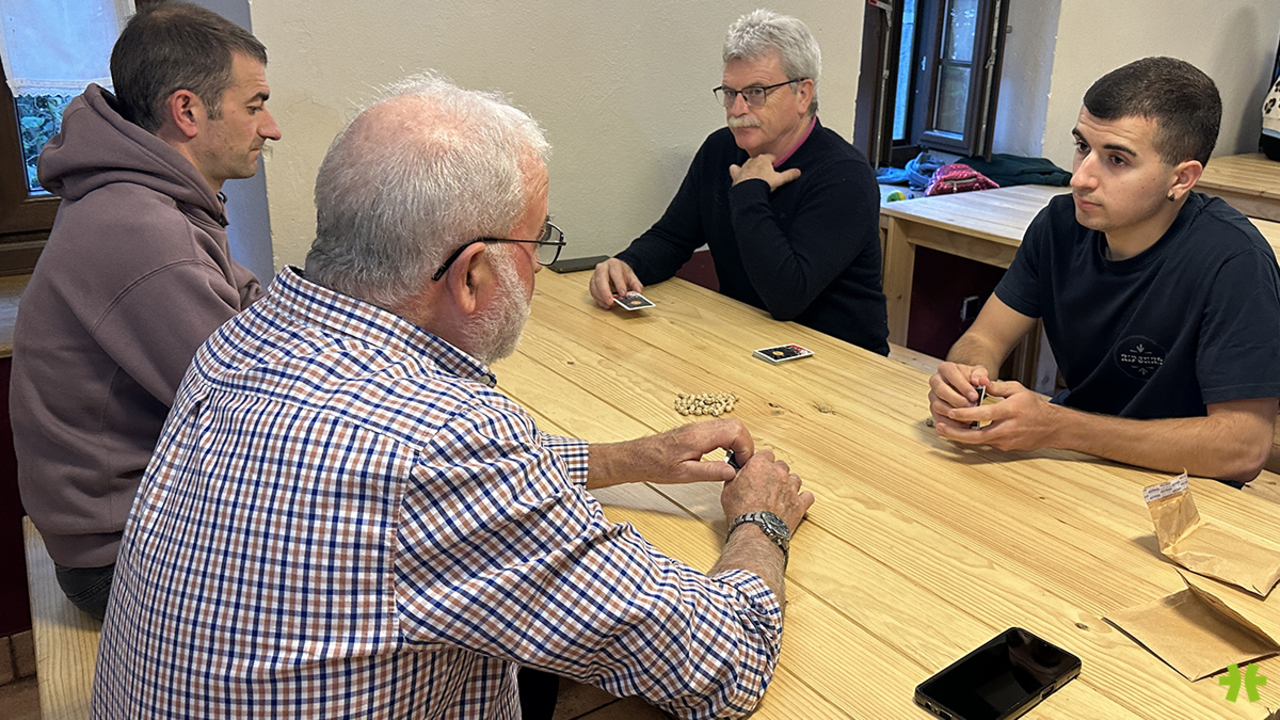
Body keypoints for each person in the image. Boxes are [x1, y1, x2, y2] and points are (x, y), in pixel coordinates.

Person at [92, 73, 815, 720]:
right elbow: (720, 661)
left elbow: (425, 489)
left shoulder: (244, 338)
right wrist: (760, 522)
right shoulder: (445, 444)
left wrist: (626, 459)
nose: (539, 269)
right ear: (471, 276)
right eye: (537, 243)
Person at [9, 2, 281, 619]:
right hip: (120, 558)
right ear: (187, 111)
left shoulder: (152, 200)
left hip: (138, 525)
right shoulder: (142, 229)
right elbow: (253, 415)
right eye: (255, 105)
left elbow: (248, 309)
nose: (271, 128)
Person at [928, 57, 1280, 484]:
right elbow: (984, 338)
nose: (1080, 178)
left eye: (1116, 160)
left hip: (1186, 487)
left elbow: (1243, 447)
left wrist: (1059, 426)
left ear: (1182, 179)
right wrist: (967, 380)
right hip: (1076, 463)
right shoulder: (1059, 225)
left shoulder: (1236, 262)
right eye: (1082, 147)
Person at [589, 9, 889, 355]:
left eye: (756, 92)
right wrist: (627, 264)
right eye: (730, 93)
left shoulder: (845, 176)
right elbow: (673, 237)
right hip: (747, 338)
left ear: (803, 95)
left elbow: (787, 297)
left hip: (840, 359)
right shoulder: (720, 149)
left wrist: (749, 191)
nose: (736, 109)